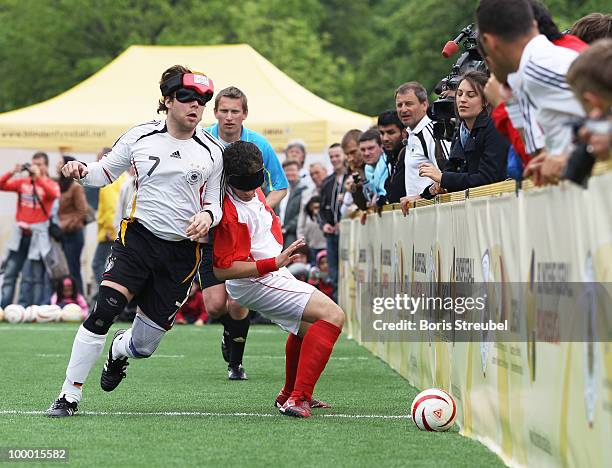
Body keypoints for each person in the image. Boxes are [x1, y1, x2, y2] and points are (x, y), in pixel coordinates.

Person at [45, 64, 223, 417]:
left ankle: (119, 351)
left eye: (203, 100)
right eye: (187, 98)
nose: (196, 106)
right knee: (104, 309)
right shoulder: (140, 136)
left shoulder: (213, 151)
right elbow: (104, 172)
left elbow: (214, 202)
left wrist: (207, 217)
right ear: (168, 101)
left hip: (181, 254)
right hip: (138, 238)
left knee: (144, 345)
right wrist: (81, 170)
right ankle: (68, 395)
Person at [213, 140, 344, 418]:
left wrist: (278, 256)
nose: (251, 191)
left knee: (308, 330)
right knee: (334, 316)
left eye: (256, 182)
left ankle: (288, 394)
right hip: (257, 279)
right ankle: (299, 398)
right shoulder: (230, 212)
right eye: (245, 185)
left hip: (271, 271)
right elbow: (222, 271)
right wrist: (276, 260)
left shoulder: (252, 189)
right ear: (231, 178)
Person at [202, 85, 288, 380]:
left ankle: (235, 363)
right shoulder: (202, 140)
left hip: (248, 234)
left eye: (234, 111)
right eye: (223, 111)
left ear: (245, 114)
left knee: (239, 304)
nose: (228, 117)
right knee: (215, 307)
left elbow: (281, 186)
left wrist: (258, 208)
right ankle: (229, 332)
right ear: (215, 113)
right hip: (213, 231)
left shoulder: (259, 144)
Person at [476, 0, 586, 185]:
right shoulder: (526, 73)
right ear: (533, 24)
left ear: (488, 41)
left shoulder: (538, 69)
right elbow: (536, 152)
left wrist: (577, 155)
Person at [419, 71, 509, 198]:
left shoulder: (494, 127)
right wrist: (431, 190)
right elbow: (451, 173)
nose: (462, 100)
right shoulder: (460, 132)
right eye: (459, 94)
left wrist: (443, 178)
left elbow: (488, 178)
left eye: (471, 95)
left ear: (485, 101)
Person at [0, 152, 60, 308]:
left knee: (31, 275)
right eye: (34, 164)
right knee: (10, 273)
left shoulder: (50, 184)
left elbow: (54, 194)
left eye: (39, 164)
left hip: (37, 236)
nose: (35, 167)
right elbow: (1, 185)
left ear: (46, 167)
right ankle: (4, 307)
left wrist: (38, 178)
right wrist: (12, 172)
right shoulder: (22, 182)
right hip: (19, 235)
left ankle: (26, 308)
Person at [395, 82, 450, 214]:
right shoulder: (411, 135)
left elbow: (448, 174)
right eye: (399, 105)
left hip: (437, 214)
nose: (403, 109)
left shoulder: (431, 132)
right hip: (421, 216)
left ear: (424, 105)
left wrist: (421, 196)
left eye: (409, 104)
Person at [91, 147, 127, 299]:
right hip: (115, 230)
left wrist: (109, 229)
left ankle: (109, 296)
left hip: (110, 231)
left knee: (98, 264)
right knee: (114, 266)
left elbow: (113, 206)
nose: (97, 162)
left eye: (99, 158)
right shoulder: (119, 177)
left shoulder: (111, 178)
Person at [319, 143, 347, 301]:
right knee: (334, 275)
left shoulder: (352, 176)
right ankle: (336, 311)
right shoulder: (327, 182)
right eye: (331, 157)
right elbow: (321, 210)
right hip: (332, 236)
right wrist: (324, 224)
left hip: (350, 234)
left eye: (337, 155)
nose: (334, 159)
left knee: (350, 274)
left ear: (345, 156)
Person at [56, 155, 88, 295]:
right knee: (62, 269)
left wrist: (66, 225)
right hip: (60, 233)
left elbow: (82, 211)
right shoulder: (57, 185)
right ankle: (63, 300)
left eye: (60, 163)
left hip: (73, 234)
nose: (57, 165)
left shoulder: (75, 187)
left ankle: (79, 300)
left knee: (73, 268)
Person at [378, 110, 408, 203]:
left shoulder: (409, 155)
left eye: (390, 132)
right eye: (382, 133)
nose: (385, 138)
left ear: (403, 133)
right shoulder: (389, 158)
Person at [279, 160, 308, 249]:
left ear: (298, 171)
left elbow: (301, 214)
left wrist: (287, 228)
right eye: (287, 170)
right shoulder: (279, 190)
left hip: (293, 233)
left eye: (292, 170)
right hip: (278, 230)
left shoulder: (303, 190)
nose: (290, 173)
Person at [359, 129, 389, 208]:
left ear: (381, 147)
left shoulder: (390, 164)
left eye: (371, 148)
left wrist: (379, 201)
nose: (366, 153)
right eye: (363, 150)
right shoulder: (367, 169)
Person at [297, 195, 326, 264]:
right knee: (313, 264)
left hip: (324, 246)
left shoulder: (325, 219)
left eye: (318, 207)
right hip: (312, 246)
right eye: (314, 208)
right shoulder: (307, 218)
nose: (316, 210)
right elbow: (301, 229)